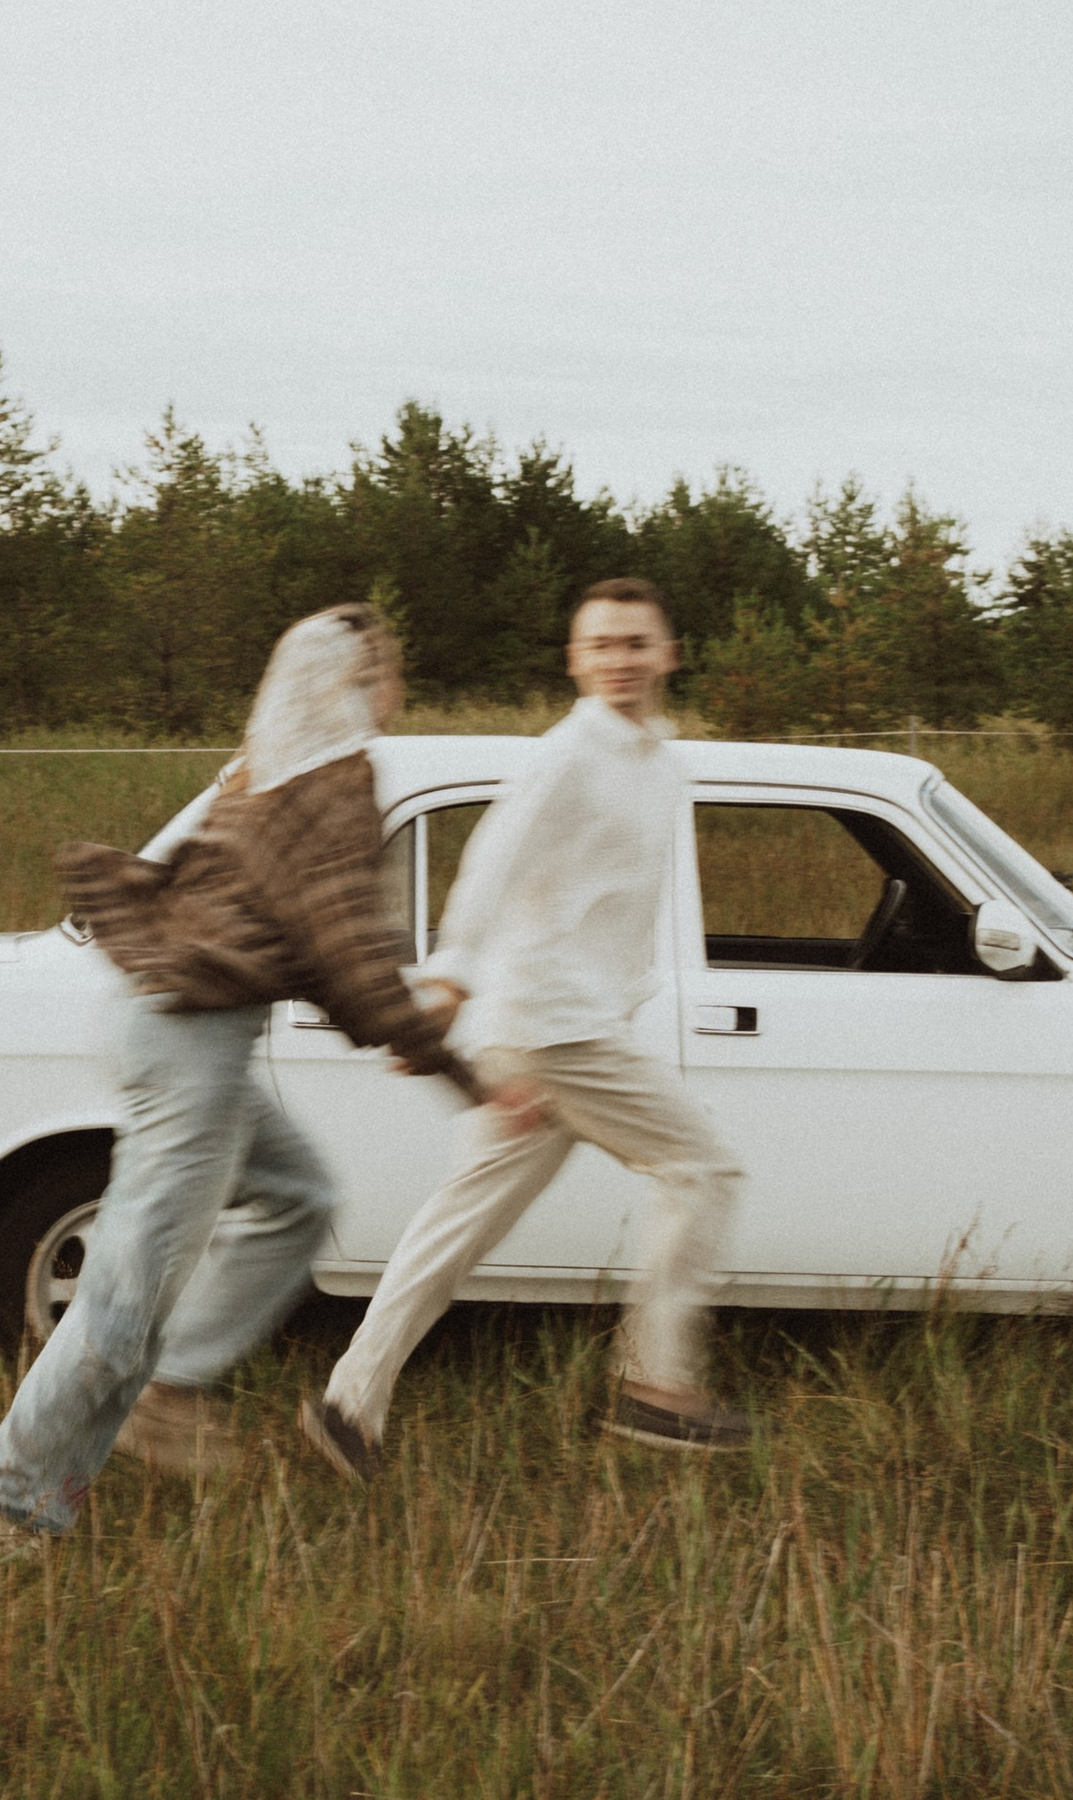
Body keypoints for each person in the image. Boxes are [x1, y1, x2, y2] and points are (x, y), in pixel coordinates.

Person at [0, 605, 495, 1556]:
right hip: (189, 1040)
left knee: (297, 1193)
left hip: (167, 1024)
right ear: (353, 681)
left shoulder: (268, 767)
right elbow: (344, 940)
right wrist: (454, 1067)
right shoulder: (331, 779)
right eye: (388, 670)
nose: (398, 688)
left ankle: (172, 1381)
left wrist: (391, 1019)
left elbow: (308, 936)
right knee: (125, 1290)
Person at [298, 577, 750, 1476]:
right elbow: (492, 860)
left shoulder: (661, 762)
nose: (619, 659)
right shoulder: (568, 754)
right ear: (576, 660)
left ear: (668, 653)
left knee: (457, 1225)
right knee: (703, 1170)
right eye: (602, 645)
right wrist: (452, 981)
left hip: (558, 1023)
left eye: (636, 643)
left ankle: (350, 1404)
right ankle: (657, 1387)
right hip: (552, 1026)